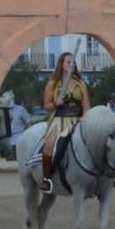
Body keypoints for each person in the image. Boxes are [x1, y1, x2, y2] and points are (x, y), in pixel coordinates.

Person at [40, 51, 91, 194]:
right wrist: (56, 103)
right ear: (61, 65)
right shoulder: (53, 83)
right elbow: (46, 106)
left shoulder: (80, 83)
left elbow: (86, 105)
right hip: (59, 119)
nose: (71, 64)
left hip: (78, 119)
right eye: (68, 62)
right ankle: (46, 178)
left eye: (73, 62)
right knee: (49, 145)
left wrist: (84, 118)